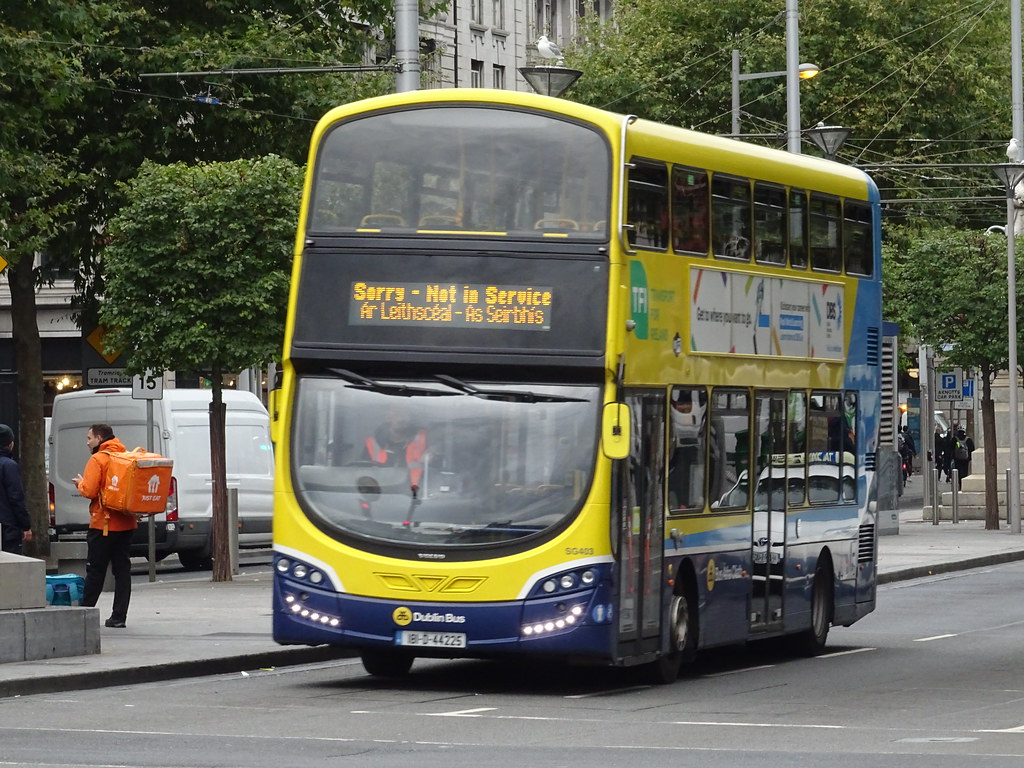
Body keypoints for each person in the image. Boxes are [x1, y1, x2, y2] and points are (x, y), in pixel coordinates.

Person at [73, 424, 135, 628]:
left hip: (103, 524)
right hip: (126, 523)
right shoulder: (126, 456)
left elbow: (90, 491)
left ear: (99, 438)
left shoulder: (98, 459)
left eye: (89, 438)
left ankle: (85, 614)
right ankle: (119, 617)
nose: (87, 442)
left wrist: (80, 484)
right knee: (122, 571)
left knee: (96, 570)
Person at [365, 410, 427, 492]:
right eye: (396, 414)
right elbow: (362, 472)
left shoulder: (424, 442)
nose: (401, 418)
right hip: (379, 496)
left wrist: (431, 455)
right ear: (387, 418)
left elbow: (435, 473)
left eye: (404, 414)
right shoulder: (372, 444)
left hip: (415, 496)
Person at [0, 424, 33, 555]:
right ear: (10, 443)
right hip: (8, 528)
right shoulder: (9, 466)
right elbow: (16, 498)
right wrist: (25, 526)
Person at [950, 425, 975, 490]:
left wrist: (952, 456)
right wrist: (969, 458)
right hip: (965, 460)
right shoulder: (968, 440)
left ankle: (958, 484)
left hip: (957, 459)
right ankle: (963, 485)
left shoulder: (954, 439)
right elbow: (972, 449)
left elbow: (950, 448)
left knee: (957, 472)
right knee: (964, 472)